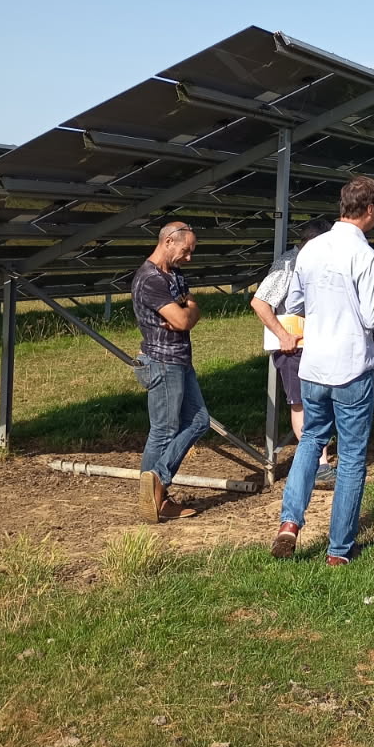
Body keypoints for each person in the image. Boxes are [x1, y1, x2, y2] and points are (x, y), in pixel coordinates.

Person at [272, 177, 374, 566]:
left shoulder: (310, 249)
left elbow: (294, 301)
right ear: (371, 210)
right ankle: (339, 549)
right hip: (351, 368)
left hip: (313, 365)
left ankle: (290, 522)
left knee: (311, 440)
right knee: (353, 457)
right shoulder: (365, 257)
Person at [250, 218, 335, 488]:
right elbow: (260, 302)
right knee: (302, 402)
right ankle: (319, 464)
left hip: (316, 343)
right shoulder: (287, 265)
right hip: (294, 345)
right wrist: (283, 335)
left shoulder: (318, 262)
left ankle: (318, 460)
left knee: (319, 401)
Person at [133, 221, 207, 522]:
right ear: (168, 243)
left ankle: (156, 485)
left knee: (200, 421)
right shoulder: (150, 279)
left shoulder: (174, 275)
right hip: (163, 362)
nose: (188, 258)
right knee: (164, 430)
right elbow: (184, 319)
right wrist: (186, 312)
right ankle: (154, 495)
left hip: (180, 360)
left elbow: (192, 310)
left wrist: (187, 310)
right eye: (185, 251)